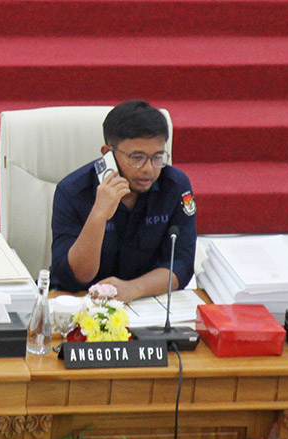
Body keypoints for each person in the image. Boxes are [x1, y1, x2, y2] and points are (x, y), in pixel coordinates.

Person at [50, 100, 197, 303]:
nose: (148, 169)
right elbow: (75, 277)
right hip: (80, 303)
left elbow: (181, 263)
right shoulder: (73, 191)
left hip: (146, 302)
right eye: (137, 157)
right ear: (108, 154)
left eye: (157, 157)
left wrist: (132, 289)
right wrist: (99, 215)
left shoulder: (175, 186)